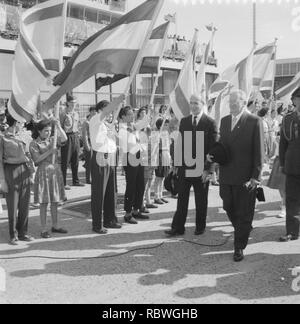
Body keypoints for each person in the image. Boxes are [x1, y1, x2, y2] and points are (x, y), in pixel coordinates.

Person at [216, 90, 264, 262]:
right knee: (228, 205)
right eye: (230, 103)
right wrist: (213, 156)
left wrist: (255, 176)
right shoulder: (224, 121)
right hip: (226, 174)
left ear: (243, 103)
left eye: (234, 103)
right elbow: (222, 146)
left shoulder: (254, 121)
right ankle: (242, 228)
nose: (230, 106)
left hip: (245, 177)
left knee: (244, 212)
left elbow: (259, 151)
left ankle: (239, 246)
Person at [165, 94, 217, 237]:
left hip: (201, 169)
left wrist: (209, 170)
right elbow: (180, 143)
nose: (193, 106)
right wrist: (175, 164)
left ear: (203, 104)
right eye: (191, 103)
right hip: (184, 168)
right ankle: (178, 228)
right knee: (182, 199)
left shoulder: (210, 122)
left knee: (201, 200)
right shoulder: (185, 121)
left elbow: (214, 149)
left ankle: (200, 227)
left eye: (196, 103)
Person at [29, 119, 68, 239]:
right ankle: (43, 229)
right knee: (44, 203)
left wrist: (59, 126)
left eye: (50, 131)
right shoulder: (34, 143)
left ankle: (55, 226)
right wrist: (50, 152)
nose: (48, 133)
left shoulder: (53, 139)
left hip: (55, 172)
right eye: (46, 131)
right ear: (39, 131)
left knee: (55, 201)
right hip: (43, 173)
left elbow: (65, 139)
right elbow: (37, 160)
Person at [0, 112, 34, 245]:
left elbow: (29, 155)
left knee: (25, 204)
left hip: (24, 170)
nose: (23, 124)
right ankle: (13, 234)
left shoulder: (24, 135)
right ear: (15, 123)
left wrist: (31, 173)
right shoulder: (3, 138)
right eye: (21, 122)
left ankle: (23, 232)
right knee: (12, 205)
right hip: (10, 170)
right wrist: (2, 180)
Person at [89, 99, 123, 234]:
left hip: (110, 157)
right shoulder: (95, 120)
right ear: (99, 110)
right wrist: (118, 99)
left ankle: (110, 220)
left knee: (110, 191)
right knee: (99, 193)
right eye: (107, 110)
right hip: (100, 157)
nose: (110, 114)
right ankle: (97, 224)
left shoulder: (108, 124)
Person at [118, 106, 149, 224]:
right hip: (129, 158)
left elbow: (144, 123)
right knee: (131, 186)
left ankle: (136, 209)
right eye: (129, 114)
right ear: (123, 116)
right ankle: (127, 213)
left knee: (140, 184)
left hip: (137, 156)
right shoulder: (122, 129)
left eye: (132, 114)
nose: (132, 116)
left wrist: (147, 113)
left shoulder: (132, 126)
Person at [278, 87, 300, 242]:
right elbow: (283, 143)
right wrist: (282, 163)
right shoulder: (288, 118)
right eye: (297, 99)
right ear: (294, 101)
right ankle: (292, 231)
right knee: (291, 199)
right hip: (292, 164)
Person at [60, 94, 84, 189]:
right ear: (68, 103)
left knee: (75, 160)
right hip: (67, 137)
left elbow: (78, 126)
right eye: (72, 102)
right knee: (65, 161)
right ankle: (63, 183)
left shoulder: (76, 113)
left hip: (75, 136)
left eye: (75, 102)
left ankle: (76, 181)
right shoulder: (63, 114)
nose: (74, 104)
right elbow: (60, 127)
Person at [153, 118, 171, 204]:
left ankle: (160, 195)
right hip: (160, 155)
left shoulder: (167, 134)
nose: (167, 126)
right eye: (165, 125)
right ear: (161, 126)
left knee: (163, 176)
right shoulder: (157, 134)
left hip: (166, 154)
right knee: (158, 176)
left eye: (167, 125)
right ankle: (156, 197)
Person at [81, 106, 97, 184]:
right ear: (90, 112)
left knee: (94, 162)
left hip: (95, 143)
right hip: (89, 143)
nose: (94, 113)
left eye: (95, 111)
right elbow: (84, 135)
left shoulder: (96, 121)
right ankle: (88, 179)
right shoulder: (86, 122)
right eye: (93, 111)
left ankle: (94, 177)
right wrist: (87, 145)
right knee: (89, 162)